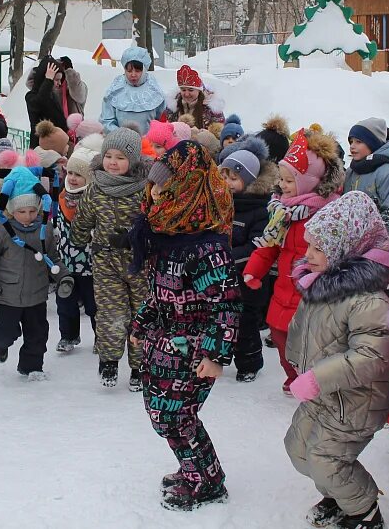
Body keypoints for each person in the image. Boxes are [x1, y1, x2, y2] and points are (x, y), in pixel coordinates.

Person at [127, 139, 240, 511]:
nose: (155, 193)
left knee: (177, 416)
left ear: (187, 191)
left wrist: (216, 354)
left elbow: (225, 304)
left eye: (164, 186)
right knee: (164, 414)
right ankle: (197, 471)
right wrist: (142, 323)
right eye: (154, 185)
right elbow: (158, 291)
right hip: (165, 339)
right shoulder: (168, 235)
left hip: (193, 347)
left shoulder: (205, 247)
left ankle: (205, 481)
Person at [284, 191, 389, 529]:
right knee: (298, 449)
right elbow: (304, 328)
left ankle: (364, 511)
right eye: (309, 246)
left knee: (326, 459)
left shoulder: (369, 301)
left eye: (318, 249)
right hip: (324, 393)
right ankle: (339, 495)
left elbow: (373, 355)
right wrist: (296, 362)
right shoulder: (321, 284)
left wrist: (317, 377)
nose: (308, 255)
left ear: (344, 249)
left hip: (356, 402)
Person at [243, 128, 344, 391]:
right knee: (279, 335)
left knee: (309, 340)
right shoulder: (282, 212)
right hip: (283, 288)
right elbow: (269, 245)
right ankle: (294, 374)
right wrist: (254, 271)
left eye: (289, 181)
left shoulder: (326, 212)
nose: (282, 186)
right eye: (282, 180)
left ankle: (310, 378)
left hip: (312, 291)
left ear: (309, 181)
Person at [72, 127, 152, 389]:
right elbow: (83, 220)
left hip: (140, 263)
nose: (113, 162)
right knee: (111, 313)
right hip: (106, 261)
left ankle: (140, 366)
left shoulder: (145, 189)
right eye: (109, 156)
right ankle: (109, 361)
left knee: (142, 313)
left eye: (120, 157)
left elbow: (157, 223)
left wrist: (135, 239)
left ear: (133, 160)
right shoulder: (96, 188)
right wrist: (79, 240)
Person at [0, 167, 73, 380]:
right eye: (22, 212)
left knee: (38, 334)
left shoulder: (44, 229)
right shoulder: (0, 231)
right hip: (6, 295)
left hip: (36, 295)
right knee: (7, 331)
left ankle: (31, 367)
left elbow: (53, 259)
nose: (28, 216)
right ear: (10, 210)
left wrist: (63, 277)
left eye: (32, 211)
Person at [217, 136, 278, 382]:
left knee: (244, 322)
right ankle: (216, 359)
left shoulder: (259, 209)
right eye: (224, 176)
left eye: (234, 178)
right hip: (219, 275)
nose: (228, 183)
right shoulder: (218, 203)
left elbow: (256, 244)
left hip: (247, 278)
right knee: (219, 320)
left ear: (250, 181)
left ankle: (249, 362)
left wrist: (225, 256)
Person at [54, 145, 99, 353]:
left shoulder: (94, 200)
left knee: (94, 306)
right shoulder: (62, 197)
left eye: (79, 175)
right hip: (66, 263)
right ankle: (69, 335)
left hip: (91, 266)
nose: (72, 178)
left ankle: (101, 338)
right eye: (70, 173)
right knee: (65, 303)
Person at [343, 117, 389, 246]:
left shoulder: (388, 174)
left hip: (382, 249)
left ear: (373, 143)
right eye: (351, 141)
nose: (352, 146)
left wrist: (369, 241)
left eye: (358, 141)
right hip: (353, 245)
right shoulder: (351, 172)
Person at [100, 46, 166, 133]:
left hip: (149, 143)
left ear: (144, 69)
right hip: (120, 142)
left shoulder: (154, 90)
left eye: (138, 71)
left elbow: (162, 121)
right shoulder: (115, 90)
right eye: (129, 71)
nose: (133, 74)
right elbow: (107, 121)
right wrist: (122, 136)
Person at [25, 58, 71, 148]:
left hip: (56, 147)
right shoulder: (30, 96)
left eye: (60, 80)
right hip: (40, 148)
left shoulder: (52, 96)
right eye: (56, 80)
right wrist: (48, 80)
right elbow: (40, 102)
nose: (59, 83)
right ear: (44, 78)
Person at [164, 65, 225, 129]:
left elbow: (221, 133)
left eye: (191, 90)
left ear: (199, 90)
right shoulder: (173, 107)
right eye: (183, 90)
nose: (186, 94)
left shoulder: (212, 109)